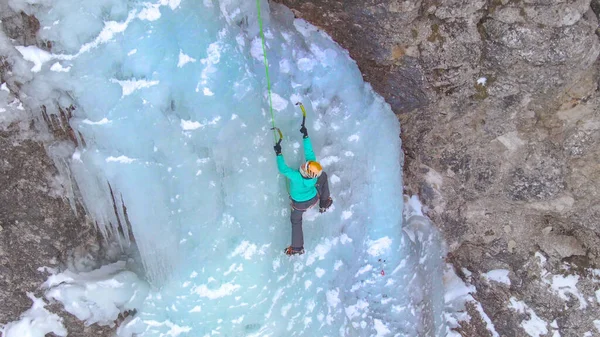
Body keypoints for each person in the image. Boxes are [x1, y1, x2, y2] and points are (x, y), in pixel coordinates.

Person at [274, 123, 333, 256]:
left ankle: (297, 247)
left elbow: (283, 169)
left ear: (305, 171)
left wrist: (278, 153)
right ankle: (324, 202)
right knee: (323, 176)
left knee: (296, 221)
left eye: (305, 166)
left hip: (299, 205)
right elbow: (309, 153)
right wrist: (305, 136)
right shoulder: (313, 175)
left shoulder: (296, 176)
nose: (304, 164)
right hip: (313, 199)